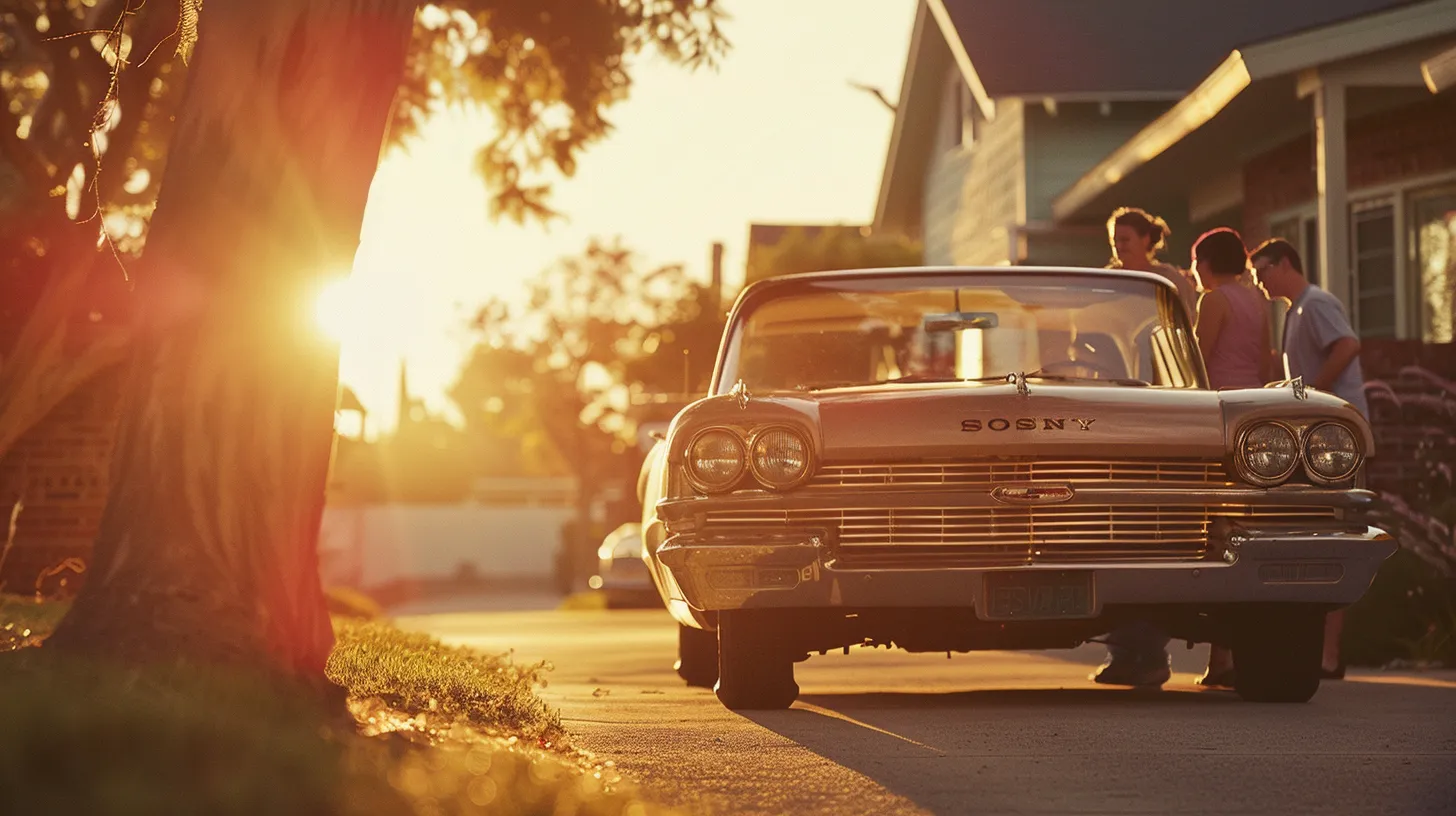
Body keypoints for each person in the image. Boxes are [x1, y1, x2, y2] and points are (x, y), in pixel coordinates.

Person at [1251, 238, 1368, 679]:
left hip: (1336, 444)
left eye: (1262, 269)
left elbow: (1348, 345)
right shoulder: (1294, 310)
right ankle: (1317, 651)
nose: (1259, 279)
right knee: (1316, 536)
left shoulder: (1316, 303)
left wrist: (1313, 394)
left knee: (1337, 538)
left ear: (1284, 263)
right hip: (1315, 444)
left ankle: (1330, 656)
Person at [1189, 228, 1275, 687]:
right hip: (1252, 410)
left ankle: (1220, 659)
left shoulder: (1214, 300)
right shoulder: (1255, 301)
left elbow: (1197, 359)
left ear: (1205, 263)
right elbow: (1264, 363)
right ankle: (1229, 655)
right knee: (1243, 524)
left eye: (1196, 262)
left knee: (1212, 528)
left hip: (1216, 411)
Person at [1105, 206, 1200, 315]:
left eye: (1125, 240)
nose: (1118, 246)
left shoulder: (1167, 279)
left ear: (1145, 239)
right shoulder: (1106, 278)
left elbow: (1187, 318)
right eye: (1115, 240)